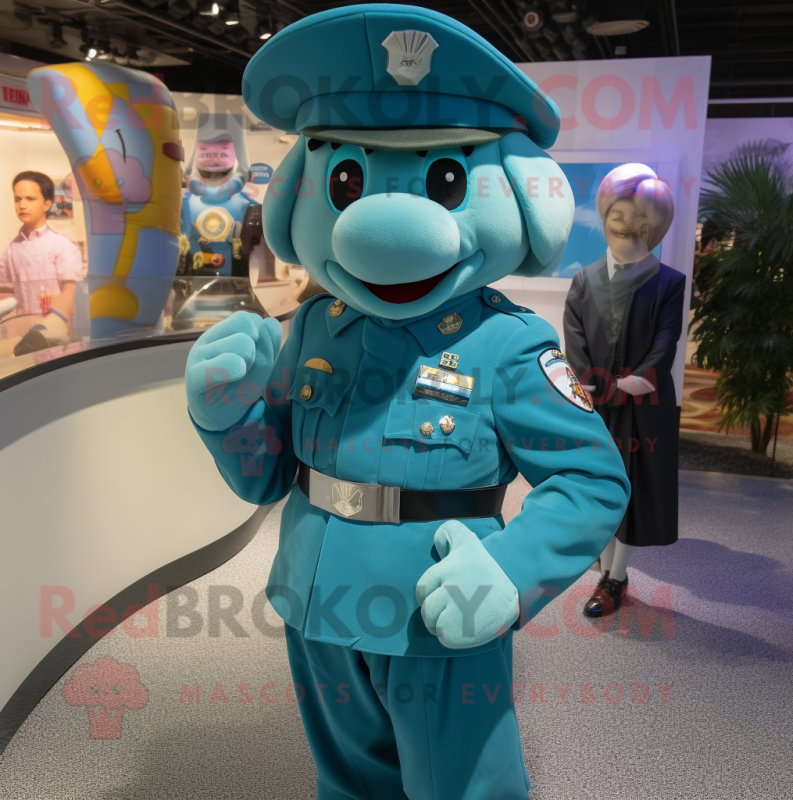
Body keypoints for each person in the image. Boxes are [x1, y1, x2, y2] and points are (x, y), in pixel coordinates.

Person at [185, 6, 630, 799]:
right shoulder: (315, 326)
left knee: (464, 786)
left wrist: (510, 571)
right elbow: (267, 474)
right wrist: (225, 415)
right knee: (348, 782)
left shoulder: (510, 345)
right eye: (347, 181)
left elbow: (591, 481)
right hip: (317, 595)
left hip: (439, 610)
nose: (377, 224)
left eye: (445, 177)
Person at [563, 164, 686, 617]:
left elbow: (665, 343)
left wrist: (630, 385)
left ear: (654, 227)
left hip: (642, 405)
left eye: (638, 220)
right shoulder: (584, 279)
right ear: (605, 216)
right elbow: (574, 336)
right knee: (597, 482)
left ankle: (615, 577)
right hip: (595, 402)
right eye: (618, 215)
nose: (626, 226)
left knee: (633, 489)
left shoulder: (669, 282)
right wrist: (593, 386)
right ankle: (602, 557)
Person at [0, 171, 83, 329]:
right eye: (17, 199)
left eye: (30, 199)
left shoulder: (62, 244)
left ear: (46, 204)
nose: (22, 205)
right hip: (19, 334)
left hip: (55, 334)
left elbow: (71, 294)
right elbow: (5, 293)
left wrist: (50, 329)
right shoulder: (10, 250)